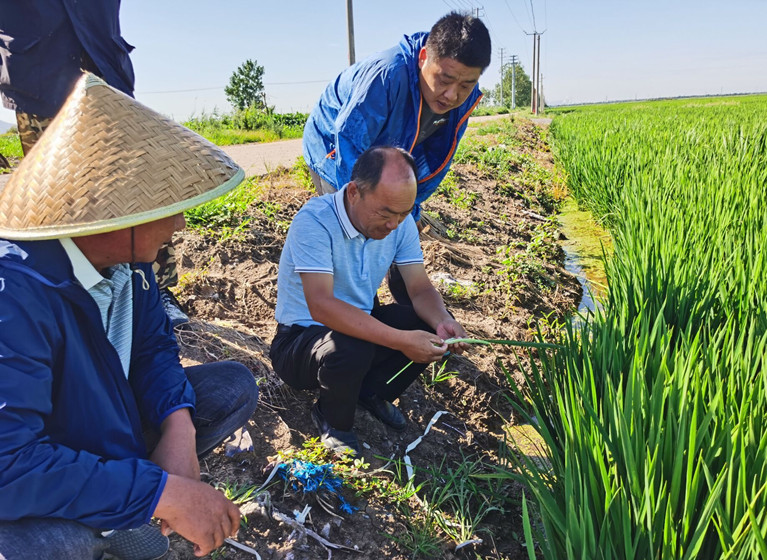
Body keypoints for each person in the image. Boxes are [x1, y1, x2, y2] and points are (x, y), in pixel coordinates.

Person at [0, 74, 258, 560]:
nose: (179, 223)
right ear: (113, 214)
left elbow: (153, 348)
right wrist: (160, 492)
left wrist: (178, 428)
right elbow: (8, 463)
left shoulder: (131, 265)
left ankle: (119, 494)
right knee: (49, 547)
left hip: (102, 420)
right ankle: (100, 518)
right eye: (166, 209)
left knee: (232, 387)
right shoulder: (15, 293)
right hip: (40, 456)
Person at [269, 146, 469, 456]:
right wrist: (401, 340)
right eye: (385, 213)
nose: (393, 224)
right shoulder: (315, 221)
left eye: (403, 213)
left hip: (357, 330)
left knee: (426, 325)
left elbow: (419, 288)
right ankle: (332, 419)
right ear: (354, 193)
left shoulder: (400, 223)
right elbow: (321, 305)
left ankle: (369, 392)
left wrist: (443, 321)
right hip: (301, 341)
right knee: (351, 346)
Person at [0, 0, 189, 326]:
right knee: (57, 201)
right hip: (36, 71)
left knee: (138, 188)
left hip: (103, 65)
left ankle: (156, 292)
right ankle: (74, 300)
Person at [302, 11, 491, 220]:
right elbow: (349, 143)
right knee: (352, 219)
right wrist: (363, 209)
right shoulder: (386, 76)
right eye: (444, 80)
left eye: (465, 85)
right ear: (423, 58)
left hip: (384, 145)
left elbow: (435, 158)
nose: (452, 95)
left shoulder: (465, 99)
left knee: (389, 221)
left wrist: (409, 210)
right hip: (332, 145)